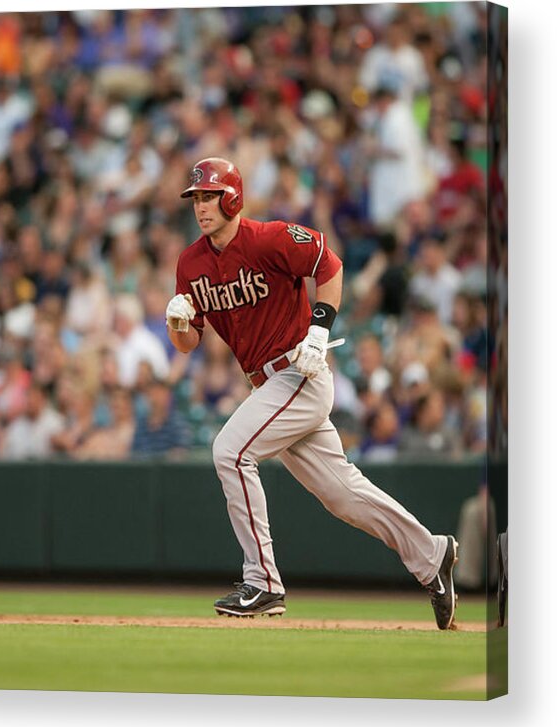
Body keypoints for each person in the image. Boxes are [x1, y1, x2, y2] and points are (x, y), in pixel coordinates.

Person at [166, 157, 458, 629]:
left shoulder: (269, 237)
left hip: (298, 372)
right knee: (343, 495)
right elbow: (187, 344)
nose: (201, 205)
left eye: (210, 195)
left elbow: (329, 263)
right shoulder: (191, 263)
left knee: (230, 451)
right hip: (267, 384)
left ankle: (262, 582)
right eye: (197, 197)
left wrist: (320, 330)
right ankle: (432, 554)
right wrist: (179, 322)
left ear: (233, 196)